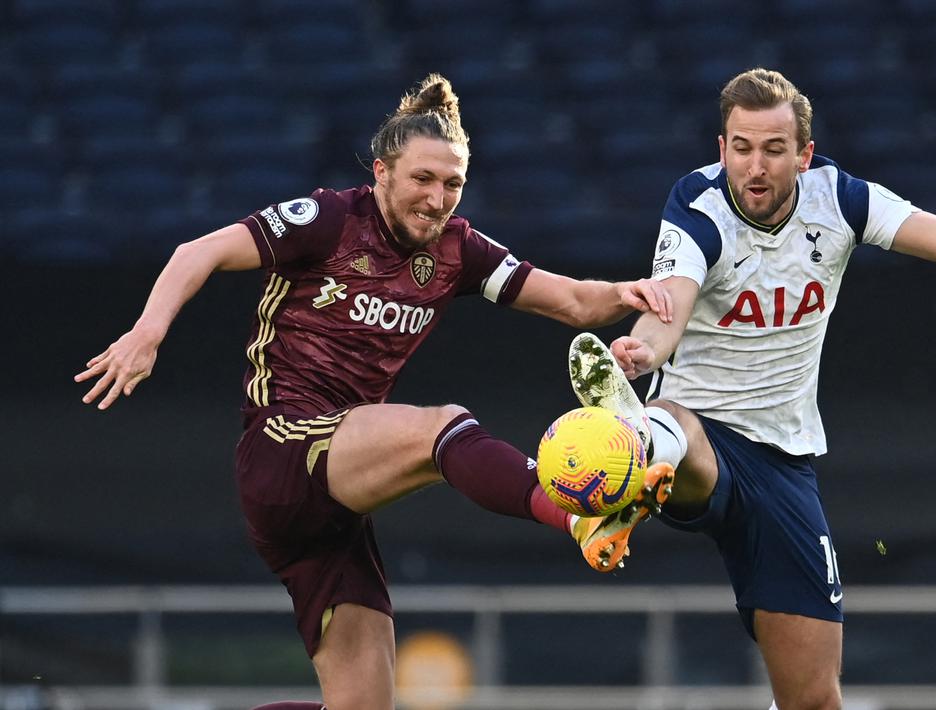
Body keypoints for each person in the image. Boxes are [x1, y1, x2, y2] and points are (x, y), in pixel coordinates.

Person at [74, 73, 675, 710]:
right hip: (284, 449)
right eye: (422, 179)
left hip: (338, 493)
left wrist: (625, 294)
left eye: (452, 185)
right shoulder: (329, 219)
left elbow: (575, 302)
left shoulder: (457, 249)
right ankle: (577, 513)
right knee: (441, 427)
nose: (437, 198)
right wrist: (148, 331)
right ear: (383, 171)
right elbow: (197, 251)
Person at [566, 68, 936, 710]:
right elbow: (670, 302)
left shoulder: (841, 200)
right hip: (702, 435)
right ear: (722, 149)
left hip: (785, 465)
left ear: (803, 154)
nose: (756, 166)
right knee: (672, 425)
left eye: (774, 149)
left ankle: (632, 460)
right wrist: (641, 350)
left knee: (814, 699)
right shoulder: (697, 207)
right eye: (741, 147)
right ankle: (628, 457)